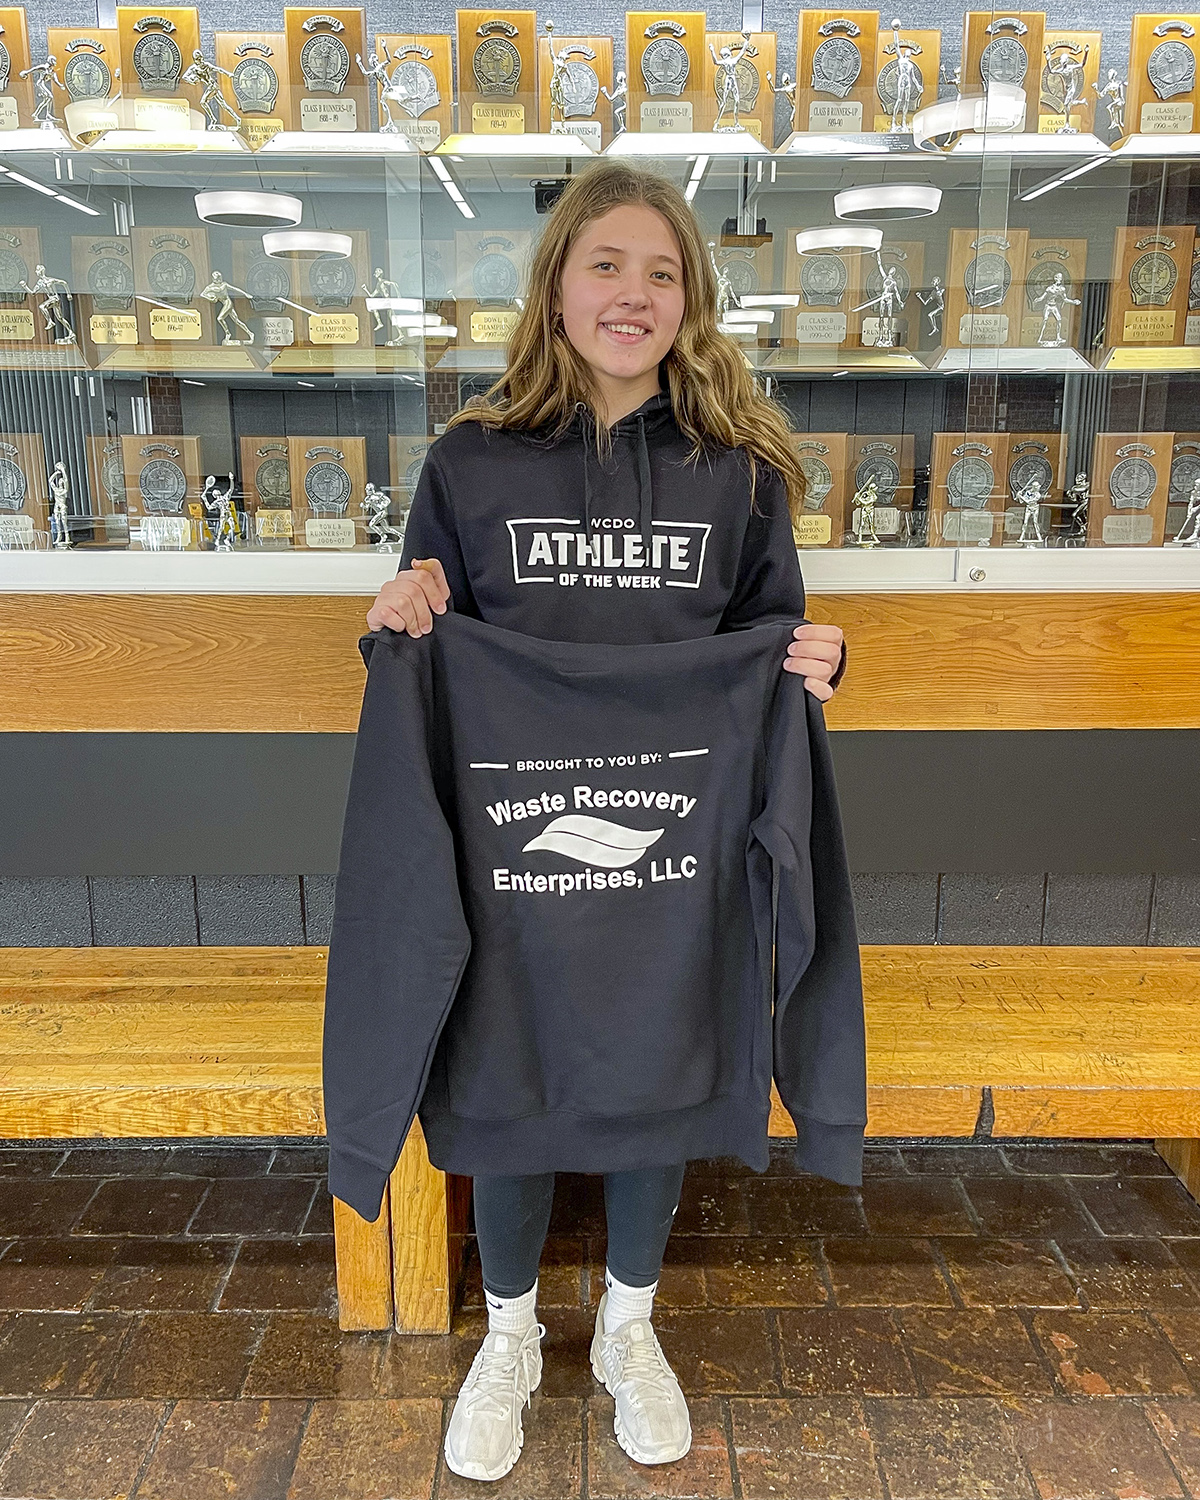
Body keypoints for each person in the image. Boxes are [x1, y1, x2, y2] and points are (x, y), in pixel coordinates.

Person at [363, 158, 847, 1484]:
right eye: (606, 265)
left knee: (653, 1076)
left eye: (662, 271)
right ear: (557, 285)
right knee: (510, 1079)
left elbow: (773, 637)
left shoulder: (739, 475)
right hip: (514, 855)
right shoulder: (468, 462)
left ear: (691, 300)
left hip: (670, 859)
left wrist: (816, 665)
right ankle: (510, 1334)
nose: (633, 294)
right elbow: (420, 627)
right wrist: (390, 621)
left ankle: (631, 1328)